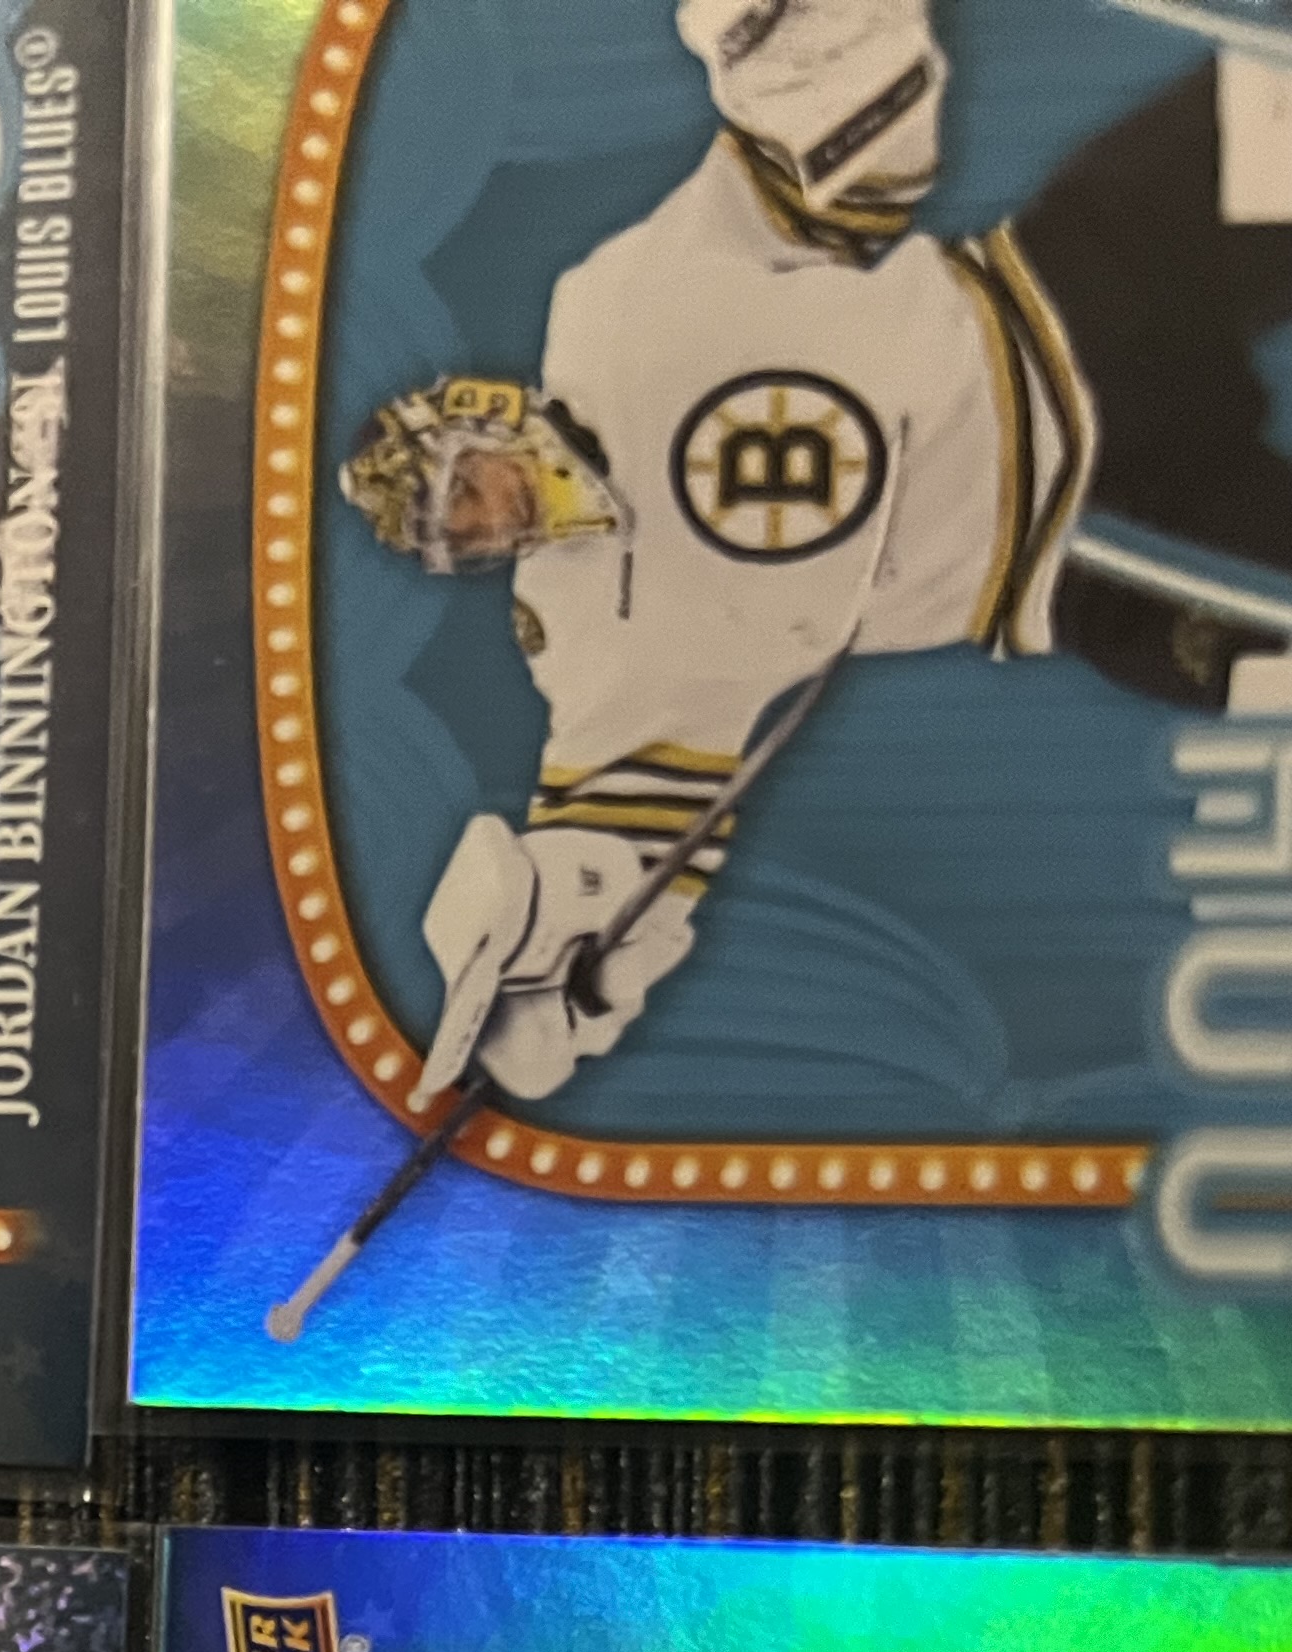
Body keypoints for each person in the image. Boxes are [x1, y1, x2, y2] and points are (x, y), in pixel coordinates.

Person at [337, 0, 1292, 1102]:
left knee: (1270, 107)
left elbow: (813, 161)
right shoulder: (593, 643)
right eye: (457, 537)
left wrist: (782, 38)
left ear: (477, 414)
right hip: (1096, 565)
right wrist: (546, 968)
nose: (482, 521)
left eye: (461, 489)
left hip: (1071, 304)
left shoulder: (616, 307)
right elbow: (612, 833)